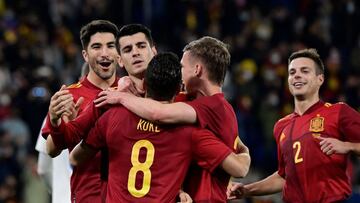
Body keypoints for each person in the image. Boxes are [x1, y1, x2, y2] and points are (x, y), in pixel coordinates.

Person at [69, 52, 246, 202]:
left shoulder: (112, 117)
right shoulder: (191, 132)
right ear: (179, 90)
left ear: (145, 84)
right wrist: (244, 150)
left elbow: (75, 159)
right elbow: (239, 169)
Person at [227, 48, 360, 202]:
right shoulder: (281, 126)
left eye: (305, 71)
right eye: (292, 72)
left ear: (320, 79)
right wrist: (246, 190)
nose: (297, 75)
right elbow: (284, 177)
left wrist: (348, 146)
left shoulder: (339, 112)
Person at [41, 19, 120, 203]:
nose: (104, 53)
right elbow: (52, 150)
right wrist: (55, 121)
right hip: (88, 196)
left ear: (118, 52)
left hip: (126, 196)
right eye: (96, 47)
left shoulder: (131, 92)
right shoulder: (69, 95)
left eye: (110, 46)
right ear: (85, 54)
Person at [35, 63, 88, 203]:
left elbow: (42, 169)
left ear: (80, 79)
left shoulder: (54, 114)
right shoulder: (110, 114)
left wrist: (59, 191)